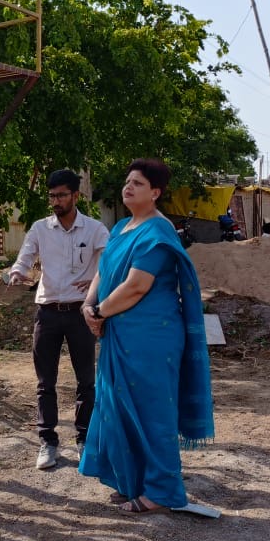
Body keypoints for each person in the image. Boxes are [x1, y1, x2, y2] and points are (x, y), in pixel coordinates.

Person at [79, 158, 215, 514]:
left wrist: (100, 311)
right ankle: (132, 482)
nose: (128, 187)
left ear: (155, 193)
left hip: (151, 338)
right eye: (127, 182)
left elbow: (138, 286)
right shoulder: (122, 226)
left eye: (138, 183)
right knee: (118, 406)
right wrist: (88, 304)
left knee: (152, 412)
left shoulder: (157, 232)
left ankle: (160, 491)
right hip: (118, 333)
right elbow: (104, 269)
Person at [9, 169, 109, 470]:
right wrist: (18, 271)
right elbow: (25, 255)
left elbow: (109, 260)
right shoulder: (41, 228)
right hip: (48, 313)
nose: (56, 201)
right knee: (45, 382)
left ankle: (84, 439)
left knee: (86, 381)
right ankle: (48, 441)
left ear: (76, 196)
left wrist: (94, 280)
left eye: (62, 195)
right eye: (52, 196)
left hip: (80, 313)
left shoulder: (94, 229)